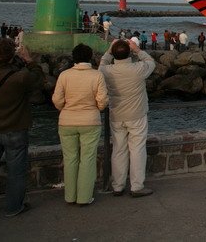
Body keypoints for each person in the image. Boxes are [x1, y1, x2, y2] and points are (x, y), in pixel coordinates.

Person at [51, 43, 108, 206]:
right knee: (88, 159)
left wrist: (65, 108)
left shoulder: (65, 75)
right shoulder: (96, 75)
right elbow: (102, 101)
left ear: (74, 58)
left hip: (67, 121)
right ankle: (84, 197)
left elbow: (57, 100)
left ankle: (70, 196)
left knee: (70, 159)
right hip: (90, 120)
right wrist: (95, 108)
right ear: (90, 57)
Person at [99, 39, 156, 197]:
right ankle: (137, 186)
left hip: (117, 115)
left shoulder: (107, 71)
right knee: (137, 149)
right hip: (137, 114)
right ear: (129, 52)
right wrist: (137, 49)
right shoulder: (138, 68)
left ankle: (118, 185)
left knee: (118, 150)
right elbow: (151, 61)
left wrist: (110, 51)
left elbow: (101, 65)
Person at [0, 39, 41, 217]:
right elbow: (39, 79)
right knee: (16, 171)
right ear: (13, 56)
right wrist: (29, 60)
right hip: (16, 129)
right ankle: (13, 207)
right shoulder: (21, 77)